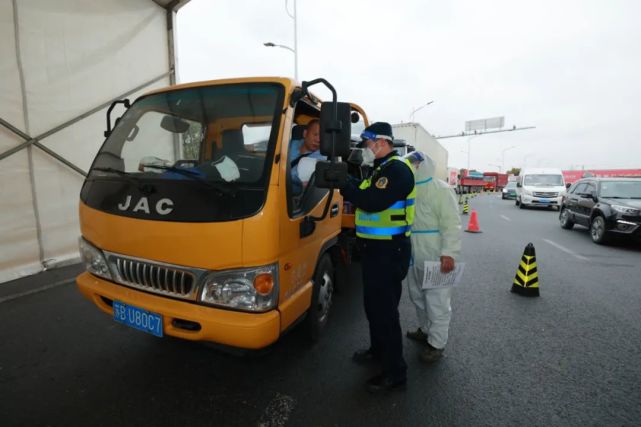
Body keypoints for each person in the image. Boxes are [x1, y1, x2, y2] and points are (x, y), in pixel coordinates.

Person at [340, 122, 416, 393]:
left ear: (382, 142)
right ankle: (378, 351)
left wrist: (344, 183)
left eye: (368, 143)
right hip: (375, 250)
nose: (366, 148)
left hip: (389, 251)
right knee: (373, 306)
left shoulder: (397, 170)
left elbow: (370, 201)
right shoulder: (379, 170)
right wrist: (346, 180)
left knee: (385, 312)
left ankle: (396, 372)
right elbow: (362, 190)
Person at [403, 151, 462, 363]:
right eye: (411, 163)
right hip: (414, 255)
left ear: (425, 164)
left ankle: (437, 343)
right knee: (417, 296)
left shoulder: (441, 190)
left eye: (417, 163)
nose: (414, 166)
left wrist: (449, 253)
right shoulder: (407, 189)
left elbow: (452, 225)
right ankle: (425, 329)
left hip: (436, 255)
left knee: (437, 302)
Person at [288, 119, 325, 195]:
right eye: (315, 134)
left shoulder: (321, 158)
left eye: (322, 136)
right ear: (305, 134)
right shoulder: (288, 145)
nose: (318, 140)